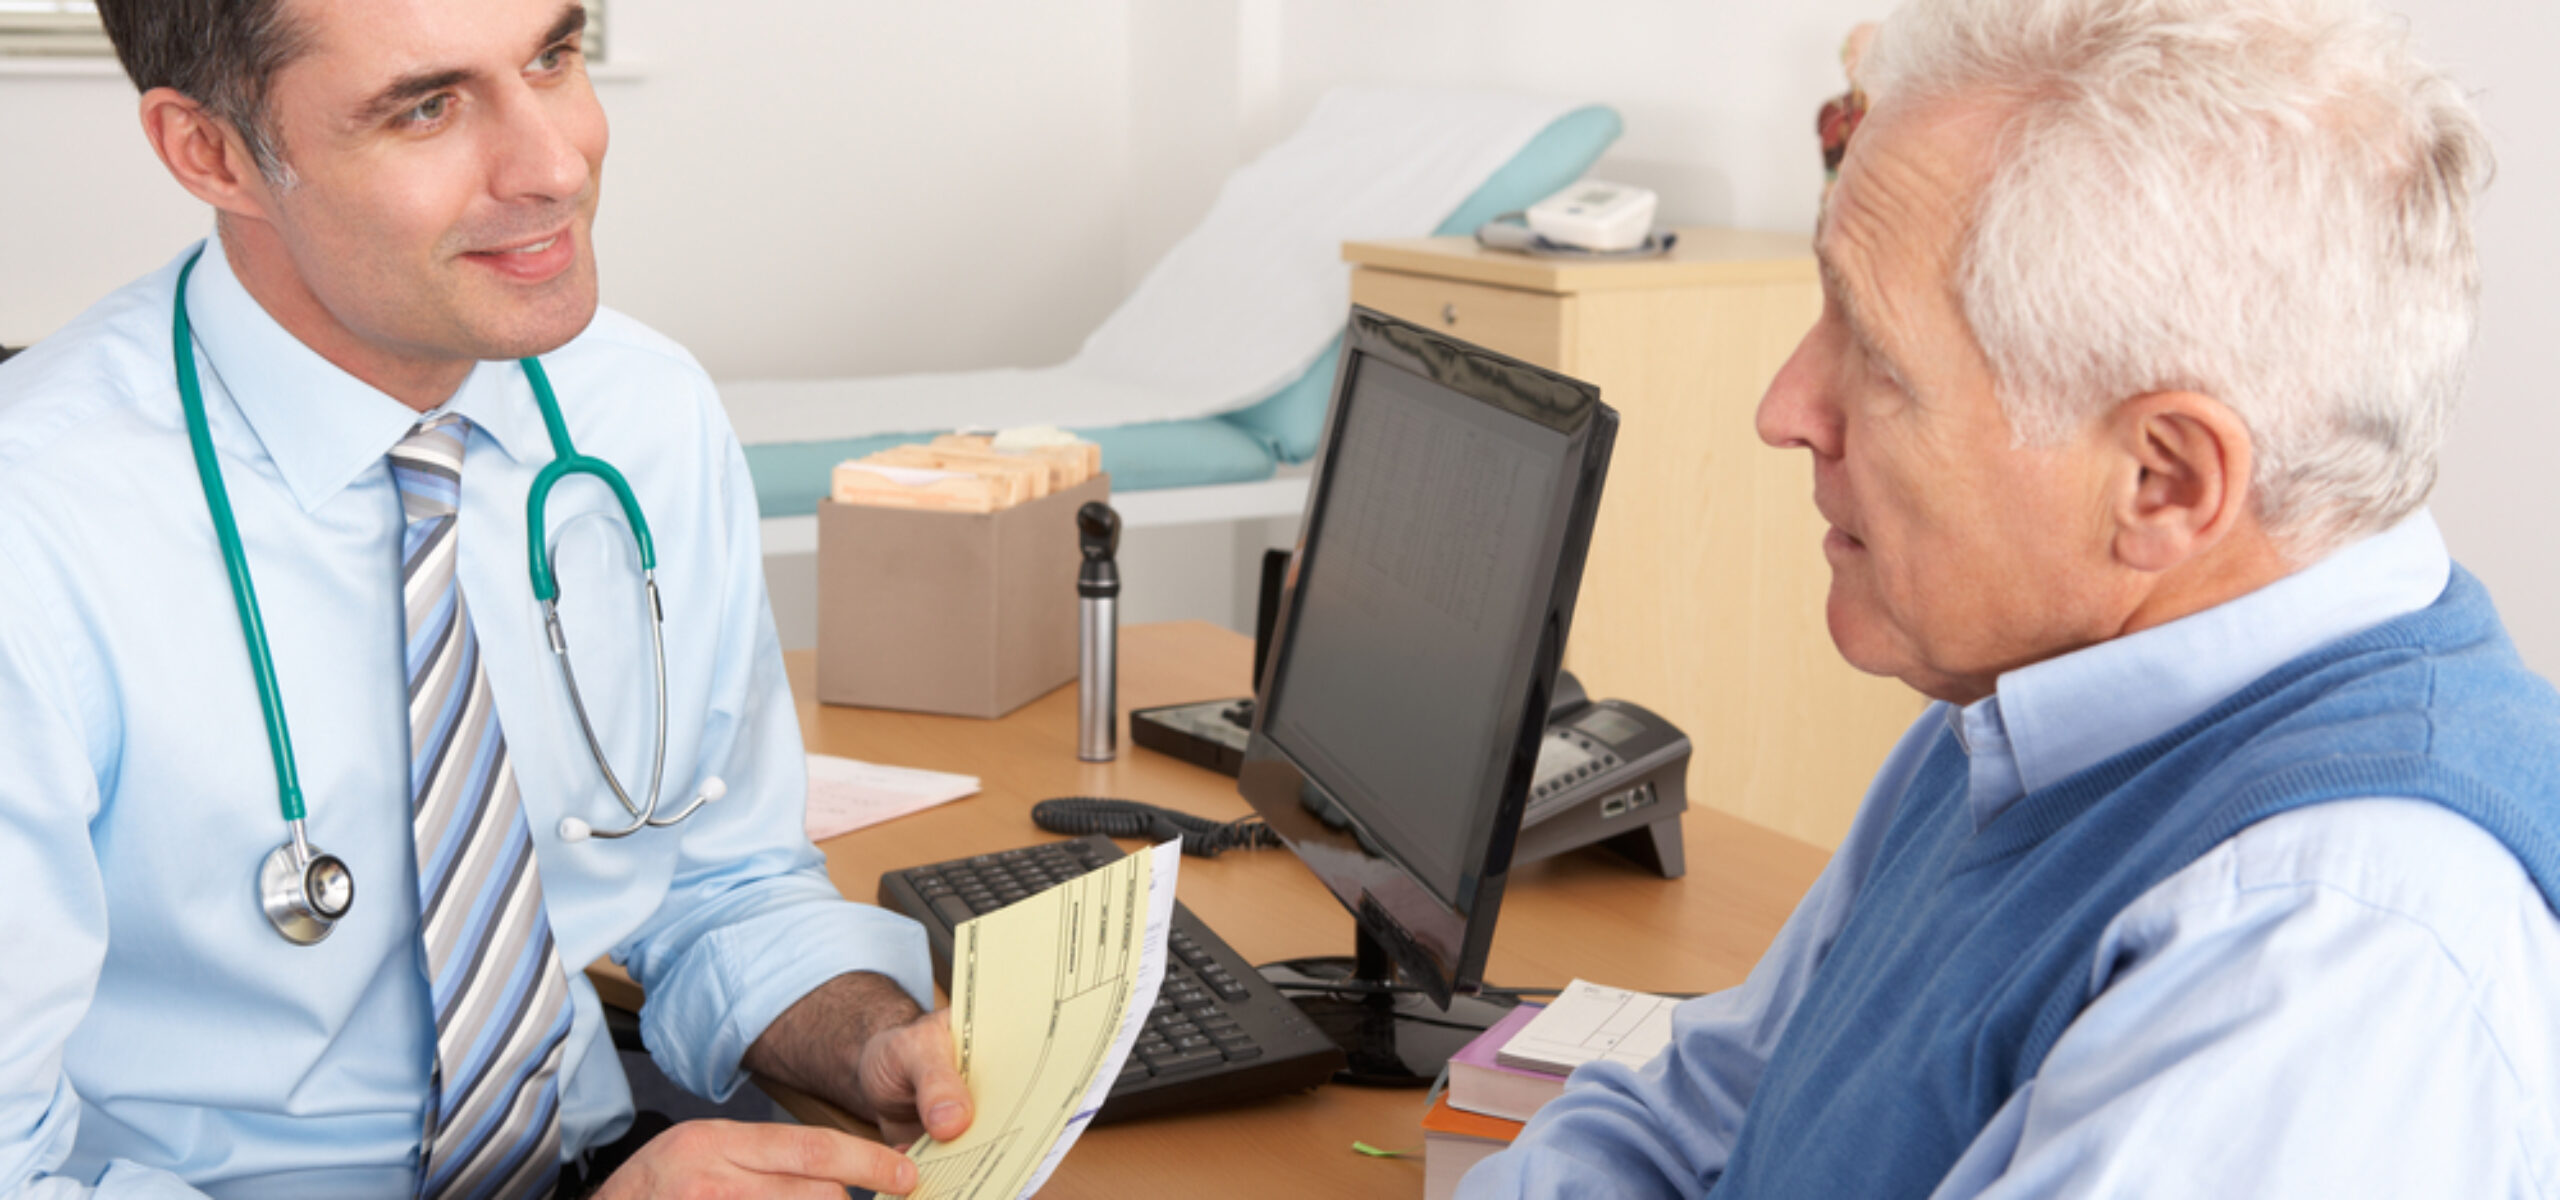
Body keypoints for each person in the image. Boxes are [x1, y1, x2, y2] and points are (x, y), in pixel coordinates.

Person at [1466, 0, 2560, 1195]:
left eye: (1874, 355)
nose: (1785, 408)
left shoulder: (2324, 954)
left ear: (2162, 481)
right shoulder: (2024, 708)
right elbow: (1699, 1117)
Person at [0, 0, 973, 1195]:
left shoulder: (639, 414)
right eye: (427, 106)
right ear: (212, 152)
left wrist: (863, 1031)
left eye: (553, 57)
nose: (558, 163)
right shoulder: (35, 534)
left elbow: (720, 881)